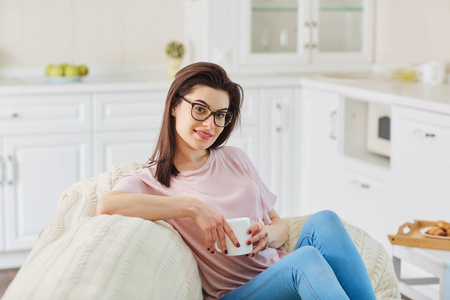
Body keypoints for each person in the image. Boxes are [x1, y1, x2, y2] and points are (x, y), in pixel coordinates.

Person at [97, 62, 376, 300]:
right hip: (238, 293)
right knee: (305, 261)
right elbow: (108, 204)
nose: (210, 125)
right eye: (200, 109)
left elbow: (278, 224)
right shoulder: (153, 180)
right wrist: (193, 207)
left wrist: (269, 236)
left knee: (324, 220)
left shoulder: (234, 158)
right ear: (174, 106)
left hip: (276, 272)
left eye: (220, 115)